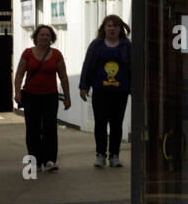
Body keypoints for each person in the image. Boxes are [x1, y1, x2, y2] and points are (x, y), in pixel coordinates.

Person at [13, 24, 71, 171]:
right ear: (36, 38)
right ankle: (35, 160)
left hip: (50, 97)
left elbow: (63, 77)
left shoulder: (57, 54)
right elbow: (19, 73)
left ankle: (50, 160)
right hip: (31, 96)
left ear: (51, 38)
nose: (45, 37)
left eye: (48, 35)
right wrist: (17, 92)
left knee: (50, 128)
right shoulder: (28, 53)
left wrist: (67, 96)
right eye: (42, 35)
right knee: (32, 129)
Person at [79, 14, 132, 168]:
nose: (112, 28)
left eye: (115, 26)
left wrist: (133, 87)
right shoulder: (96, 45)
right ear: (104, 28)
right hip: (101, 91)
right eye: (109, 25)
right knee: (100, 124)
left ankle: (114, 155)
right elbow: (88, 65)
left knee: (117, 124)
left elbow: (133, 68)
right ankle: (100, 155)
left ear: (120, 28)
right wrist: (84, 86)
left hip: (120, 92)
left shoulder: (126, 46)